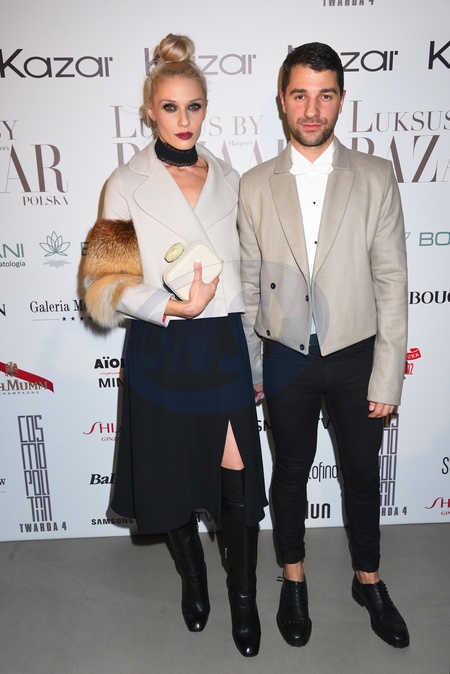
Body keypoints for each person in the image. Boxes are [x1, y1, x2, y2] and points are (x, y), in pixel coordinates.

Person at [81, 33, 267, 658]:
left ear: (206, 108)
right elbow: (102, 283)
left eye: (193, 107)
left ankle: (245, 598)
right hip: (163, 343)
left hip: (222, 345)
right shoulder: (124, 182)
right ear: (149, 111)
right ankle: (195, 580)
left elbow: (253, 275)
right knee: (171, 473)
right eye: (170, 107)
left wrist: (258, 355)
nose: (183, 120)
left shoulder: (233, 179)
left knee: (237, 471)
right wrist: (169, 305)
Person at [238, 42, 409, 649]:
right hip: (285, 356)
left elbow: (392, 279)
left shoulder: (375, 176)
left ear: (341, 101)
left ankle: (369, 580)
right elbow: (249, 286)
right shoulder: (253, 185)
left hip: (357, 354)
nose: (312, 110)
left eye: (325, 95)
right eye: (301, 95)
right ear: (282, 102)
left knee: (362, 475)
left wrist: (388, 374)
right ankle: (293, 579)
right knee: (289, 473)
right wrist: (253, 368)